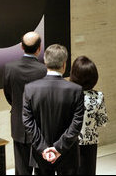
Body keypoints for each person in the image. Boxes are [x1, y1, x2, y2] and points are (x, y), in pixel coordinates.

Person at [22, 44, 84, 175]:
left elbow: (28, 122)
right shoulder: (76, 90)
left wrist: (43, 148)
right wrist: (58, 148)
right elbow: (76, 124)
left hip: (41, 155)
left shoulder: (30, 89)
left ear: (45, 62)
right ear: (64, 64)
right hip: (67, 154)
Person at [3, 31, 47, 175]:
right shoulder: (44, 70)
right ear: (39, 48)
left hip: (19, 122)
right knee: (42, 169)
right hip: (41, 126)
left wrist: (18, 107)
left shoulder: (10, 68)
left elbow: (9, 95)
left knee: (21, 170)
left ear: (21, 47)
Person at [70, 56, 108, 175]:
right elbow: (103, 121)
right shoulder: (98, 96)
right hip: (90, 142)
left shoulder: (68, 94)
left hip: (69, 142)